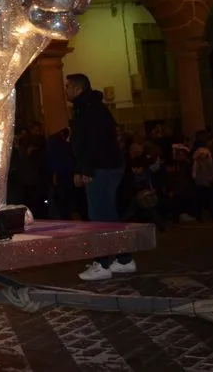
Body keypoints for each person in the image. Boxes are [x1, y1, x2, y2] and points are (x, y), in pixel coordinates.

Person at [66, 74, 136, 281]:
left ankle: (102, 263)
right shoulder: (88, 108)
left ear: (78, 89)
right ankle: (124, 259)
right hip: (105, 166)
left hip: (101, 168)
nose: (66, 90)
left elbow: (93, 143)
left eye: (68, 86)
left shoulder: (89, 110)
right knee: (108, 214)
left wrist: (86, 171)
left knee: (98, 216)